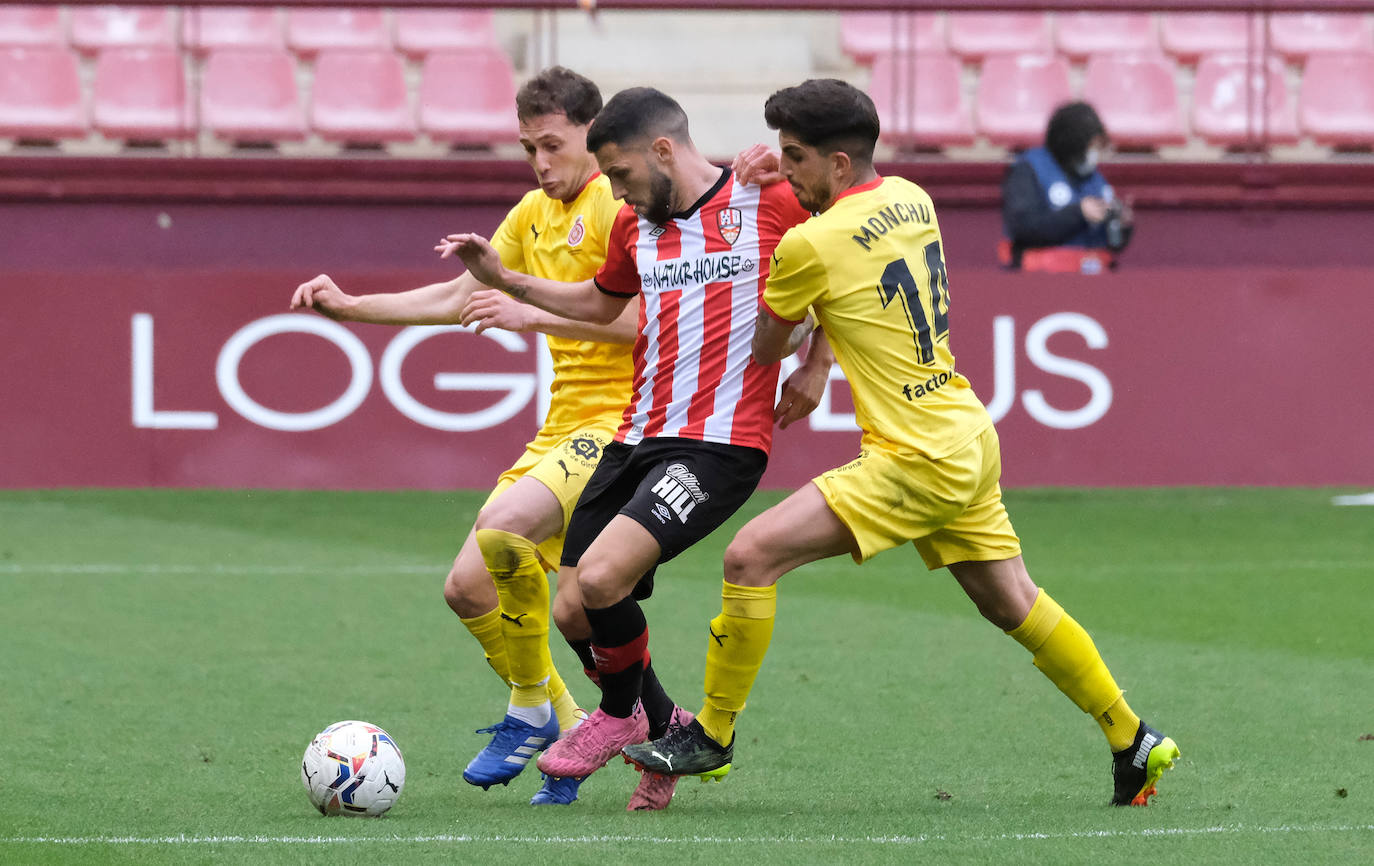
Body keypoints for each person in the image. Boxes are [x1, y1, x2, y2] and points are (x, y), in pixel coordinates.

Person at [624, 79, 1180, 808]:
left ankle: (714, 735)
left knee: (749, 556)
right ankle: (1133, 739)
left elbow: (766, 344)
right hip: (964, 431)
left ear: (841, 164)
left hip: (913, 456)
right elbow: (837, 291)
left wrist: (755, 228)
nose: (786, 172)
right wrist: (814, 335)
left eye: (796, 158)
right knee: (1014, 602)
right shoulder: (912, 197)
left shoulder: (806, 243)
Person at [290, 67, 678, 810]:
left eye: (553, 145)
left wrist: (534, 316)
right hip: (564, 427)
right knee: (469, 589)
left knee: (508, 534)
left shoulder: (617, 207)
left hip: (626, 427)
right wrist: (353, 308)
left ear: (593, 142)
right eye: (529, 147)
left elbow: (645, 321)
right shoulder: (532, 213)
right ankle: (592, 723)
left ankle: (532, 710)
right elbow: (462, 294)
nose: (540, 162)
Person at [440, 86, 831, 794]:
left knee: (598, 579)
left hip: (721, 444)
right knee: (572, 608)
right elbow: (599, 302)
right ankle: (663, 731)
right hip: (636, 436)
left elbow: (842, 249)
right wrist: (506, 280)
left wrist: (816, 362)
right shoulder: (634, 226)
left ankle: (620, 715)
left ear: (662, 149)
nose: (615, 191)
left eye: (620, 174)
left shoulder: (764, 200)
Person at [1000, 100, 1134, 274]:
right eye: (1090, 146)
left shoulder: (1095, 180)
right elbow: (1024, 229)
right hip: (1040, 277)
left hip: (1093, 275)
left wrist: (1121, 225)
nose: (1093, 154)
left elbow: (1112, 245)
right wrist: (1079, 213)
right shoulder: (1029, 170)